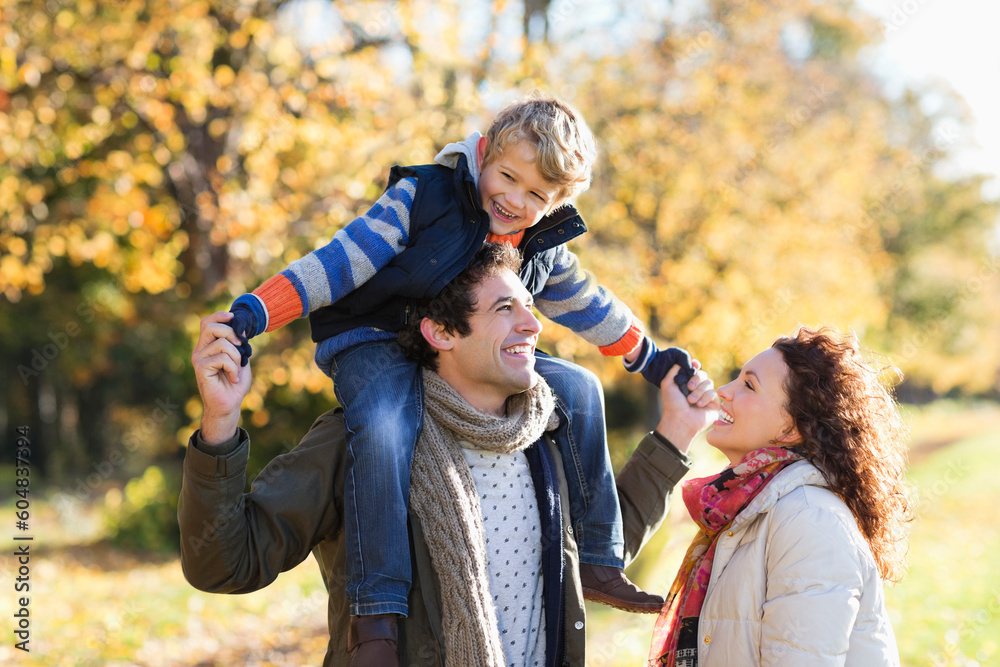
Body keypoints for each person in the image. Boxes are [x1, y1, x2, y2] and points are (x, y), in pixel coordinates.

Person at [219, 94, 695, 624]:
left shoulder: (540, 242)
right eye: (508, 176)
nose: (514, 198)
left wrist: (647, 357)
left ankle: (597, 561)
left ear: (558, 202)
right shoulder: (423, 197)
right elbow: (341, 260)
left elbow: (588, 302)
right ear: (485, 153)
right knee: (381, 423)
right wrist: (258, 311)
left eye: (536, 193)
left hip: (469, 353)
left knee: (582, 388)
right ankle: (378, 605)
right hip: (377, 339)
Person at [180, 243, 719, 666]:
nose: (532, 325)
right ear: (440, 331)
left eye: (530, 308)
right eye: (505, 309)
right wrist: (221, 422)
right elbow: (224, 564)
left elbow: (600, 553)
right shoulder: (366, 442)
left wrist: (676, 431)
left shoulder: (549, 436)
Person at [647, 326, 913, 666]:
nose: (723, 391)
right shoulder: (749, 511)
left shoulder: (809, 520)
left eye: (748, 385)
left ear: (789, 429)